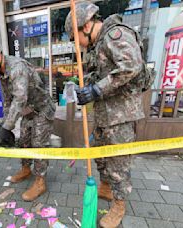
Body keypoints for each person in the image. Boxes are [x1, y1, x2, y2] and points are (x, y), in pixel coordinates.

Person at [65, 2, 146, 227]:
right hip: (104, 114)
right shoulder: (98, 44)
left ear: (86, 25)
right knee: (101, 156)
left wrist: (96, 90)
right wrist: (85, 87)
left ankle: (119, 205)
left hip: (121, 115)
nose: (76, 44)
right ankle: (105, 187)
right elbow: (99, 74)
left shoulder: (115, 35)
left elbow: (131, 66)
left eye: (75, 38)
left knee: (118, 164)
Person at [0, 37, 56, 202]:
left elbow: (19, 99)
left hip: (42, 109)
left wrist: (7, 127)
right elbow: (9, 101)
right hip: (27, 111)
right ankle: (26, 169)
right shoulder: (2, 72)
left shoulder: (17, 68)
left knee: (38, 145)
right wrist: (3, 124)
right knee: (24, 141)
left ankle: (40, 181)